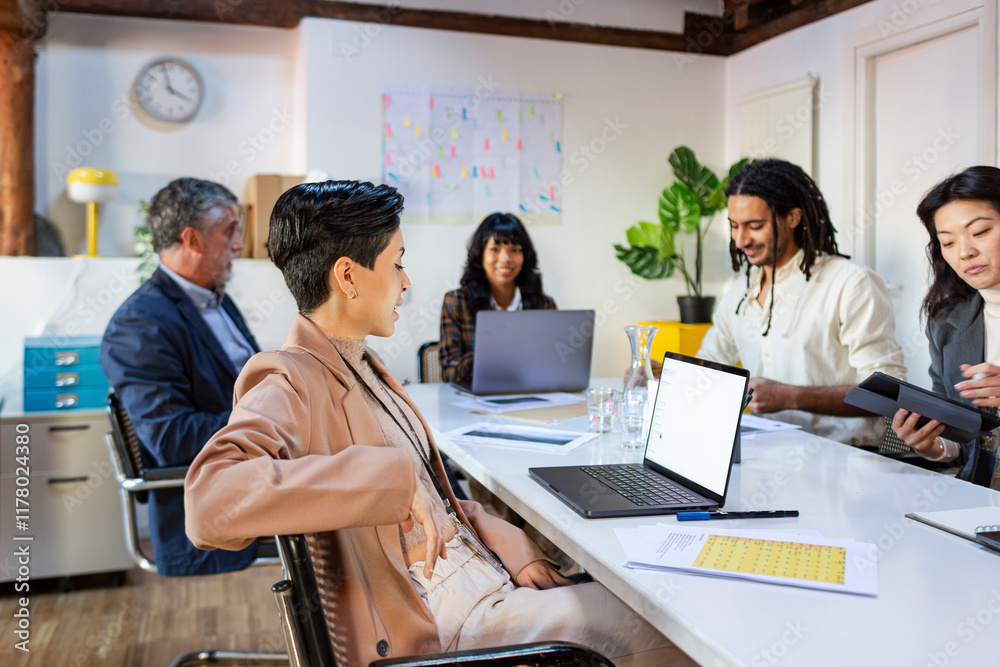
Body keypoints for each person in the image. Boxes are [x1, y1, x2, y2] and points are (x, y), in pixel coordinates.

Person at [184, 181, 687, 666]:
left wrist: (501, 536)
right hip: (448, 623)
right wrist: (391, 482)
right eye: (397, 264)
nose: (406, 282)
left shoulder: (363, 365)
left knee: (651, 595)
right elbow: (211, 502)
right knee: (674, 624)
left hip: (481, 583)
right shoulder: (289, 378)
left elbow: (423, 502)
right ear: (348, 276)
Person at [100, 178, 260, 576]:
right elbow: (171, 438)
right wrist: (274, 420)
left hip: (259, 468)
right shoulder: (139, 324)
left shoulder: (216, 299)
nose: (239, 244)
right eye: (229, 231)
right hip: (218, 504)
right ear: (193, 239)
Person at [697, 159, 906, 446]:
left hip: (845, 459)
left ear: (793, 218)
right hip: (765, 453)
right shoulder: (738, 294)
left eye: (754, 226)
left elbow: (888, 394)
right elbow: (711, 366)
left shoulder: (851, 283)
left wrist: (792, 397)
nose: (741, 239)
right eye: (734, 226)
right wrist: (666, 373)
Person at [891, 166, 1000, 489]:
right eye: (948, 242)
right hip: (980, 496)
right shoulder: (946, 320)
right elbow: (959, 436)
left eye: (980, 232)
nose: (965, 252)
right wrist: (931, 445)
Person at [439, 213, 556, 383]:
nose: (505, 259)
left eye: (515, 250)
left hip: (530, 392)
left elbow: (556, 364)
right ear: (480, 254)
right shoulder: (457, 302)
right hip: (478, 396)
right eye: (495, 249)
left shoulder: (545, 305)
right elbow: (449, 373)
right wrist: (491, 350)